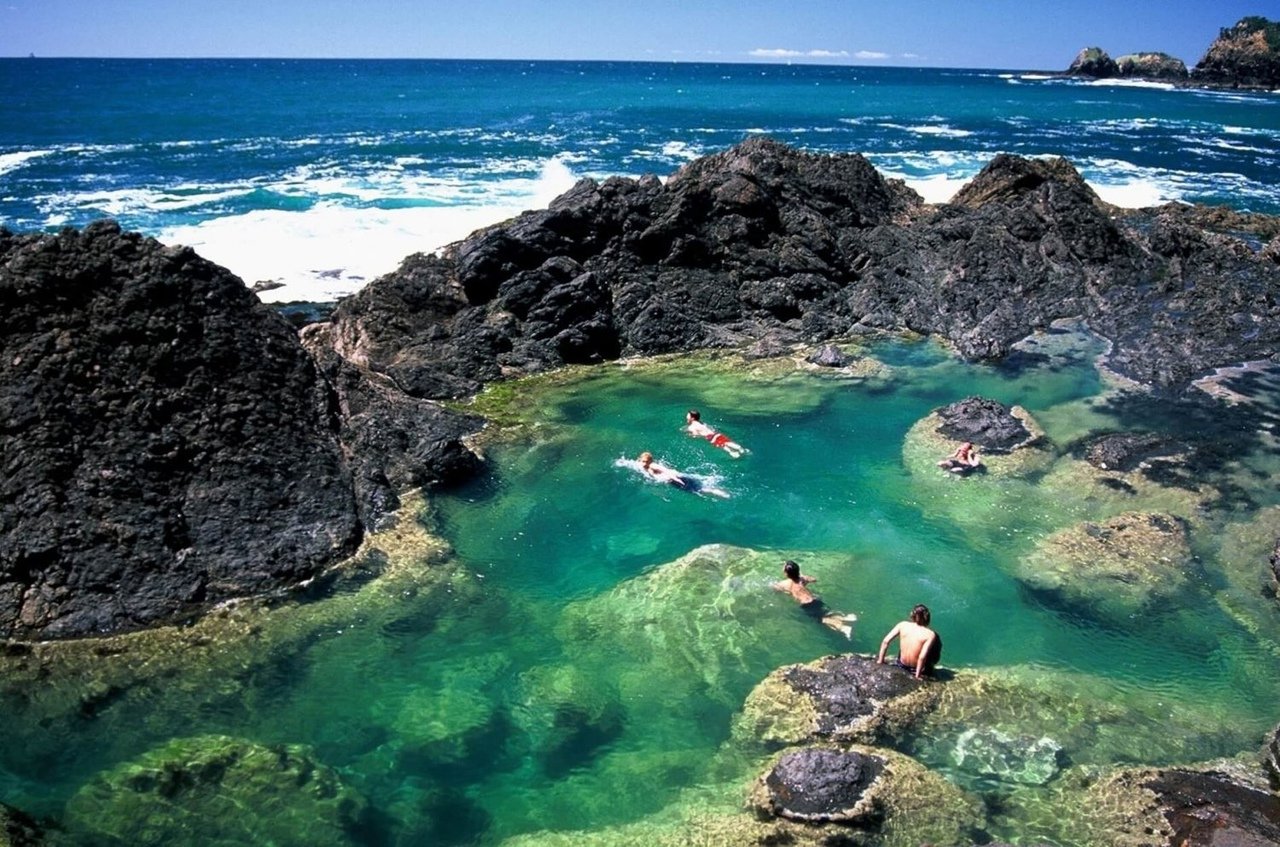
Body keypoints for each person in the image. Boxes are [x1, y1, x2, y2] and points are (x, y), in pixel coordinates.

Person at [771, 560, 857, 639]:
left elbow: (775, 589)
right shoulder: (803, 579)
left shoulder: (784, 584)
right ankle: (844, 618)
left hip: (805, 604)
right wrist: (802, 577)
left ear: (786, 573)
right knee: (826, 613)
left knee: (822, 619)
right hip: (814, 599)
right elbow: (814, 580)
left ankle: (843, 628)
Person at [876, 604, 942, 679]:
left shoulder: (902, 625)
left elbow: (885, 641)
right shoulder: (930, 634)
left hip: (900, 665)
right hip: (915, 670)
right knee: (936, 644)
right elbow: (922, 657)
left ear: (913, 615)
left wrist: (880, 661)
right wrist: (917, 676)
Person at [637, 451, 730, 498]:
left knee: (698, 490)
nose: (644, 463)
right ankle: (711, 484)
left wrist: (677, 479)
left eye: (646, 461)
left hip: (675, 478)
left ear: (651, 461)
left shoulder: (653, 466)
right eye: (643, 461)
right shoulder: (643, 465)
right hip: (672, 479)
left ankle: (718, 492)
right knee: (696, 487)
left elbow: (666, 471)